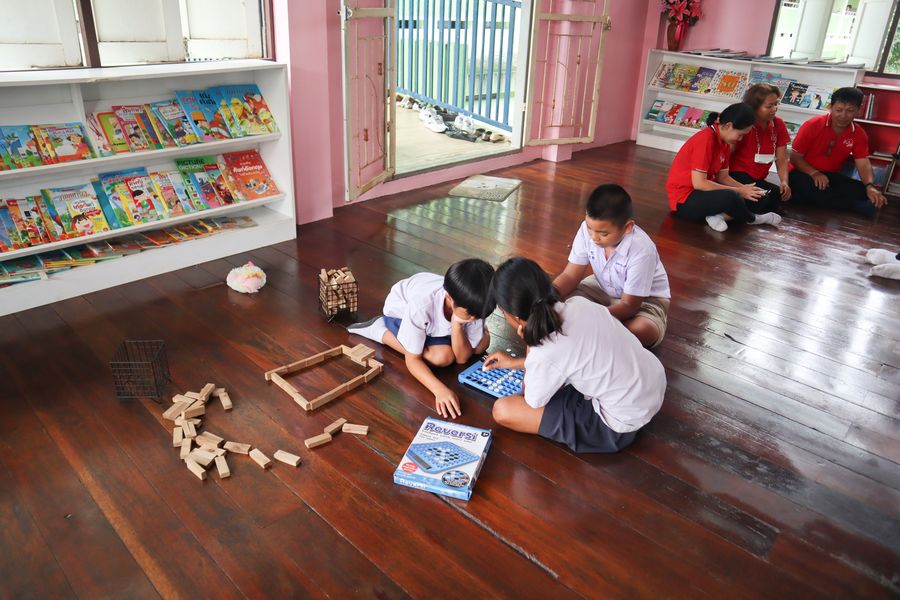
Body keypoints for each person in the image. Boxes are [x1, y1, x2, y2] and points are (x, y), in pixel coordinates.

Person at [483, 257, 666, 453]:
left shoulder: (544, 350)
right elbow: (571, 355)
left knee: (503, 409)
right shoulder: (579, 303)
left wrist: (531, 343)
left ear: (515, 316)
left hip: (620, 423)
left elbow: (532, 399)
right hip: (652, 385)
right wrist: (517, 363)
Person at [348, 259, 494, 419]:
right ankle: (380, 330)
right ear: (449, 298)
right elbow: (413, 360)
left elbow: (462, 358)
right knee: (442, 357)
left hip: (438, 321)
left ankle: (444, 332)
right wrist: (439, 390)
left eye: (479, 316)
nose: (475, 319)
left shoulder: (476, 305)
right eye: (470, 315)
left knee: (481, 345)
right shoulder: (422, 304)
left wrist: (457, 324)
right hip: (400, 314)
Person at [552, 183, 671, 349]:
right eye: (590, 228)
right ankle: (601, 335)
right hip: (601, 287)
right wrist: (547, 297)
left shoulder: (642, 250)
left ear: (627, 227)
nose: (594, 237)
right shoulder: (587, 231)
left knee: (641, 329)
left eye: (603, 233)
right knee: (559, 305)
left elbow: (630, 306)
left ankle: (596, 334)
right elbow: (570, 275)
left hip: (644, 301)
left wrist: (592, 319)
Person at [666, 102, 783, 232]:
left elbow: (723, 177)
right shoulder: (705, 140)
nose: (740, 139)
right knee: (731, 196)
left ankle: (718, 216)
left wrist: (745, 189)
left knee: (759, 196)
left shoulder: (725, 143)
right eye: (740, 134)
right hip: (684, 198)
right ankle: (753, 219)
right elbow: (699, 184)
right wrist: (739, 191)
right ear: (728, 126)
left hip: (705, 191)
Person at [788, 87, 887, 217]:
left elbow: (863, 162)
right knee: (815, 191)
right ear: (830, 107)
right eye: (839, 110)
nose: (843, 116)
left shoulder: (859, 133)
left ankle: (803, 198)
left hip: (830, 177)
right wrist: (814, 173)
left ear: (858, 110)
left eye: (850, 111)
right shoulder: (812, 125)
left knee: (862, 191)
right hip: (801, 173)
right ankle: (855, 206)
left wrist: (869, 186)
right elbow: (795, 158)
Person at [729, 83, 792, 212]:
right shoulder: (744, 124)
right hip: (737, 175)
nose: (774, 109)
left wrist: (784, 182)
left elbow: (781, 159)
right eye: (769, 106)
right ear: (755, 107)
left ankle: (749, 211)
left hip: (758, 178)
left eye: (776, 104)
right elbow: (727, 153)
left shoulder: (778, 124)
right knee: (760, 199)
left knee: (777, 195)